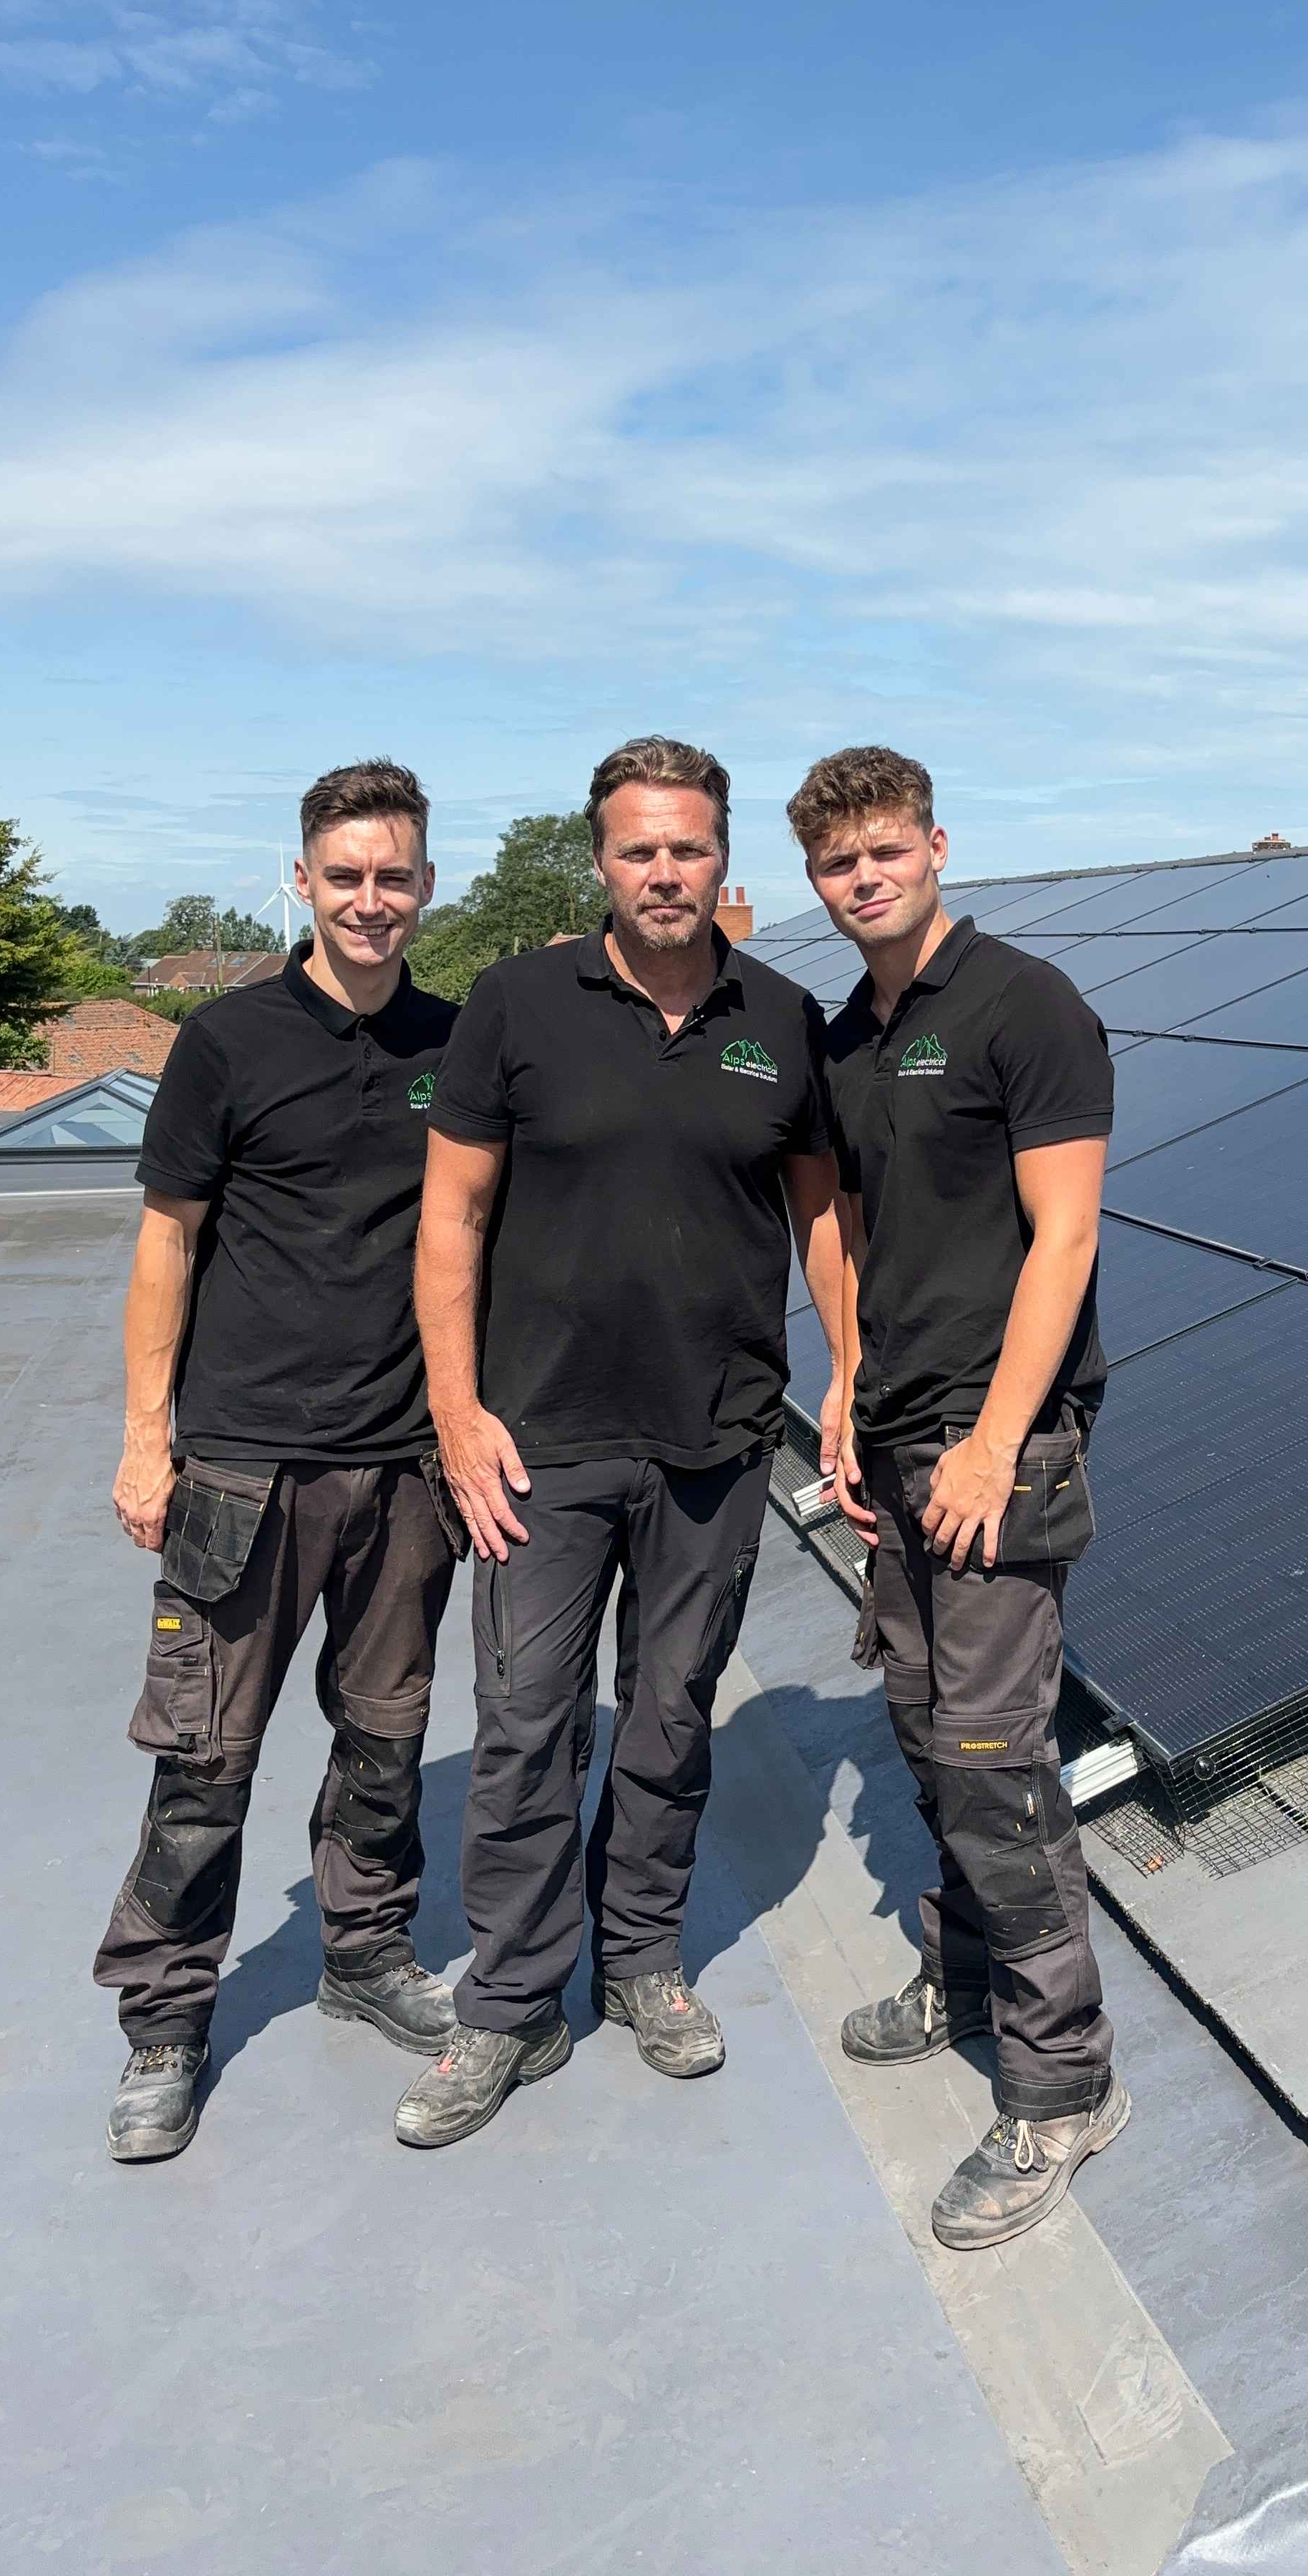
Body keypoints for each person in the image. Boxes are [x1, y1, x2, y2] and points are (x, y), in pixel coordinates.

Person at [393, 735, 844, 2151]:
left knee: (667, 1722)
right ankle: (512, 2004)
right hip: (541, 1446)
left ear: (724, 861)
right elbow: (450, 1219)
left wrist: (851, 1377)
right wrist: (458, 1416)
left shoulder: (782, 1016)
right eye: (640, 848)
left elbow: (826, 1217)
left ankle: (641, 1959)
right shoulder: (517, 1006)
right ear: (602, 859)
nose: (666, 871)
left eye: (690, 847)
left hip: (714, 1446)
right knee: (527, 1729)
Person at [94, 760, 465, 2164]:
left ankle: (364, 1950)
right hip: (241, 1471)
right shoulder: (229, 1043)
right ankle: (166, 2022)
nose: (372, 900)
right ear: (302, 881)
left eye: (395, 877)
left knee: (386, 1739)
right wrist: (147, 1441)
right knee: (202, 1763)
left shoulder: (458, 1044)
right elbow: (167, 1241)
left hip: (405, 1473)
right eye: (346, 875)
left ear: (426, 887)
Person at [788, 743, 1125, 2249]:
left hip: (1004, 1447)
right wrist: (851, 1389)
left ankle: (1062, 2087)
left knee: (995, 1760)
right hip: (905, 1435)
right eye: (837, 864)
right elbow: (857, 1231)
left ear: (938, 849)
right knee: (925, 1733)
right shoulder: (848, 1036)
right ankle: (972, 1973)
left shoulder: (1024, 1006)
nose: (866, 879)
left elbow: (1062, 1240)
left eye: (886, 852)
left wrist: (994, 1439)